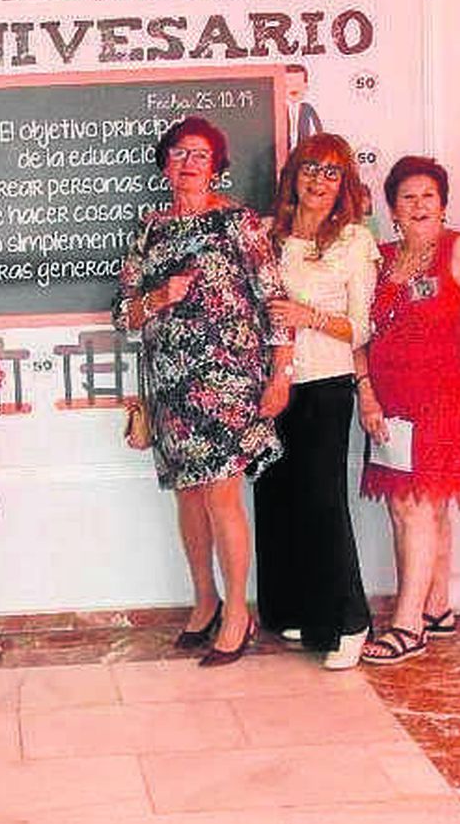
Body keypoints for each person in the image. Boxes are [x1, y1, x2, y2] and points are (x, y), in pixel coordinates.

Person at [113, 116, 292, 668]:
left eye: (200, 154)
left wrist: (281, 372)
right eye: (178, 154)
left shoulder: (239, 223)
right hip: (171, 383)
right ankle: (205, 600)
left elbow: (274, 299)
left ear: (216, 165)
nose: (188, 163)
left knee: (221, 495)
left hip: (229, 380)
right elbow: (123, 314)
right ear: (165, 164)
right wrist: (159, 297)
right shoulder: (149, 230)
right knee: (189, 495)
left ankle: (239, 611)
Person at [357, 155, 460, 666]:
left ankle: (407, 625)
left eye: (427, 196)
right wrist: (367, 391)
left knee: (416, 502)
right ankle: (436, 607)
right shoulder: (380, 258)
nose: (418, 205)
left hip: (447, 399)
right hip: (391, 404)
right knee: (414, 505)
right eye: (407, 197)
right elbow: (363, 332)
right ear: (392, 207)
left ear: (443, 204)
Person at [253, 134, 379, 670]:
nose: (319, 180)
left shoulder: (353, 242)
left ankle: (350, 621)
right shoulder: (266, 234)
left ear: (344, 181)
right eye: (310, 168)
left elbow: (362, 328)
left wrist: (309, 317)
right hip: (272, 384)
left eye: (331, 172)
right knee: (279, 501)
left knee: (324, 503)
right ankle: (301, 611)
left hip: (325, 386)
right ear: (293, 176)